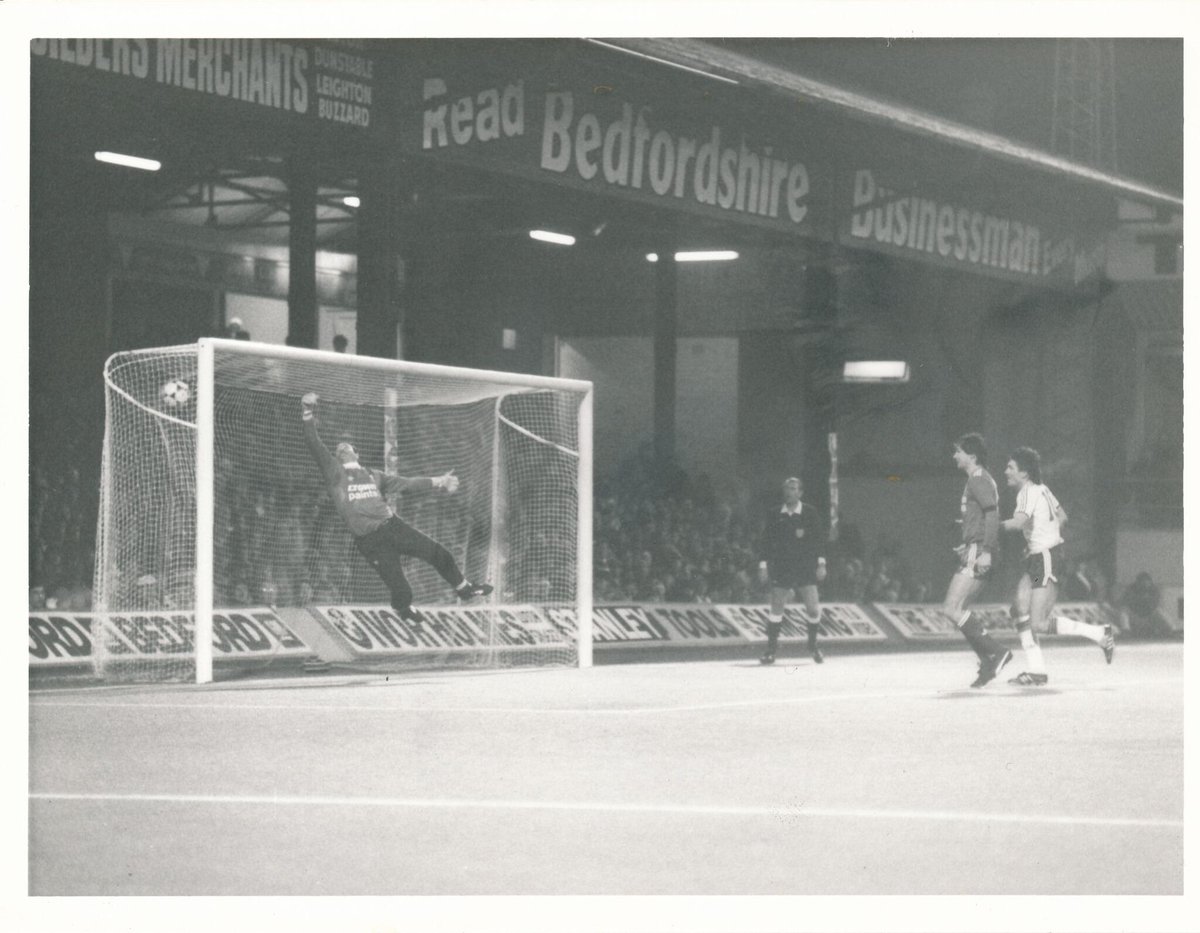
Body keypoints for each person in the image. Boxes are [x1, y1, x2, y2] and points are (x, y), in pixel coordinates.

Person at [300, 392, 492, 622]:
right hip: (370, 542)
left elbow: (407, 484)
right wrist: (307, 410)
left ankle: (464, 588)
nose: (342, 445)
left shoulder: (374, 475)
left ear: (356, 454)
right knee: (402, 592)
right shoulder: (335, 473)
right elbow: (313, 443)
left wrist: (439, 481)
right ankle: (403, 610)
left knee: (440, 554)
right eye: (339, 446)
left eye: (348, 445)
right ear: (338, 456)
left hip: (393, 527)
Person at [1000, 446, 1114, 686]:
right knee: (1019, 609)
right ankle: (1037, 671)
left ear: (1024, 473)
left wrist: (987, 527)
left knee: (1038, 623)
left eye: (1010, 467)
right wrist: (1040, 537)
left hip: (1045, 558)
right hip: (1040, 556)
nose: (1006, 471)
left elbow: (1018, 522)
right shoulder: (1043, 489)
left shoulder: (1027, 493)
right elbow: (1062, 517)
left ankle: (1098, 633)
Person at [940, 433, 1012, 688]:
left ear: (971, 456)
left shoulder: (978, 479)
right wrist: (969, 535)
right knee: (961, 611)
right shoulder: (980, 479)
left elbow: (992, 515)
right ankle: (988, 661)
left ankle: (997, 652)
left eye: (958, 451)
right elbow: (984, 516)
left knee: (951, 608)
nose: (954, 456)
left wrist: (986, 549)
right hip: (976, 547)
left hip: (980, 549)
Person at [757, 476, 826, 665]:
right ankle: (771, 650)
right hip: (782, 566)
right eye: (786, 488)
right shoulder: (774, 514)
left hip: (805, 567)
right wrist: (763, 566)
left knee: (813, 609)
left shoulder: (810, 513)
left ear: (800, 492)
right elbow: (765, 541)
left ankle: (812, 645)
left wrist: (821, 563)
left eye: (793, 488)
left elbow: (819, 540)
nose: (789, 491)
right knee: (777, 606)